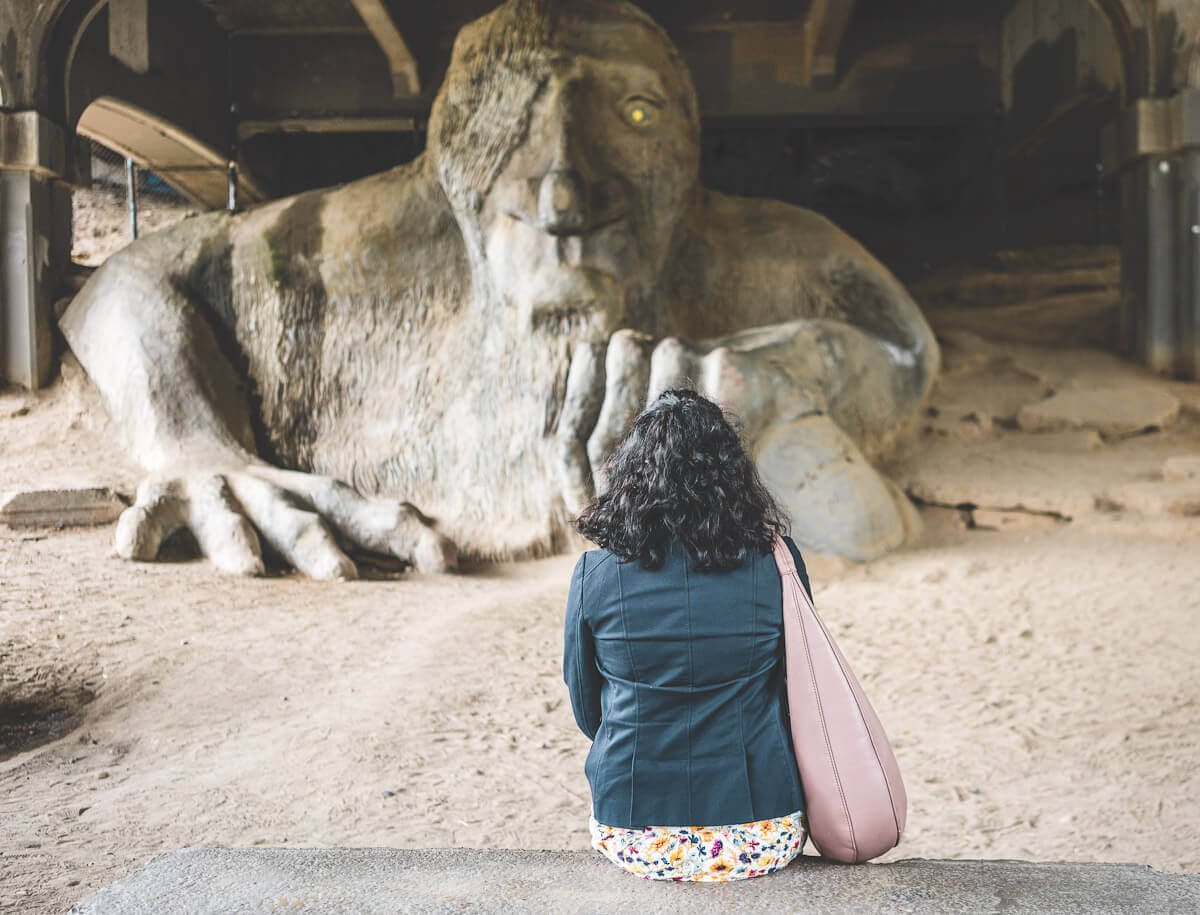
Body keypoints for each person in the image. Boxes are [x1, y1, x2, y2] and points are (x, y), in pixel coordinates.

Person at [563, 388, 815, 882]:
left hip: (634, 831)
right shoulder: (777, 563)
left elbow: (586, 706)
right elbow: (799, 690)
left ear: (631, 477)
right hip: (763, 827)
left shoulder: (594, 574)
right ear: (733, 477)